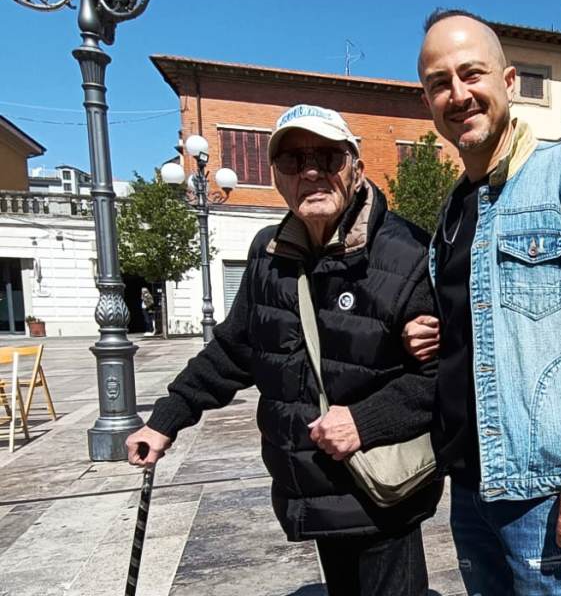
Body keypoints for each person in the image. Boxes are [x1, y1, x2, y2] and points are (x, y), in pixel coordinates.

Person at [126, 104, 442, 595]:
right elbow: (235, 349)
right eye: (293, 160)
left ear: (356, 169)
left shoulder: (408, 253)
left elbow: (448, 376)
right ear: (277, 176)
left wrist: (364, 422)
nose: (310, 172)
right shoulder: (269, 255)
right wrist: (166, 418)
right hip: (313, 487)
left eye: (327, 157)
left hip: (382, 490)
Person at [406, 9, 561, 594]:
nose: (458, 94)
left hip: (546, 491)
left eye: (472, 73)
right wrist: (431, 333)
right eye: (439, 82)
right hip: (470, 485)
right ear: (428, 101)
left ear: (509, 82)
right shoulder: (452, 211)